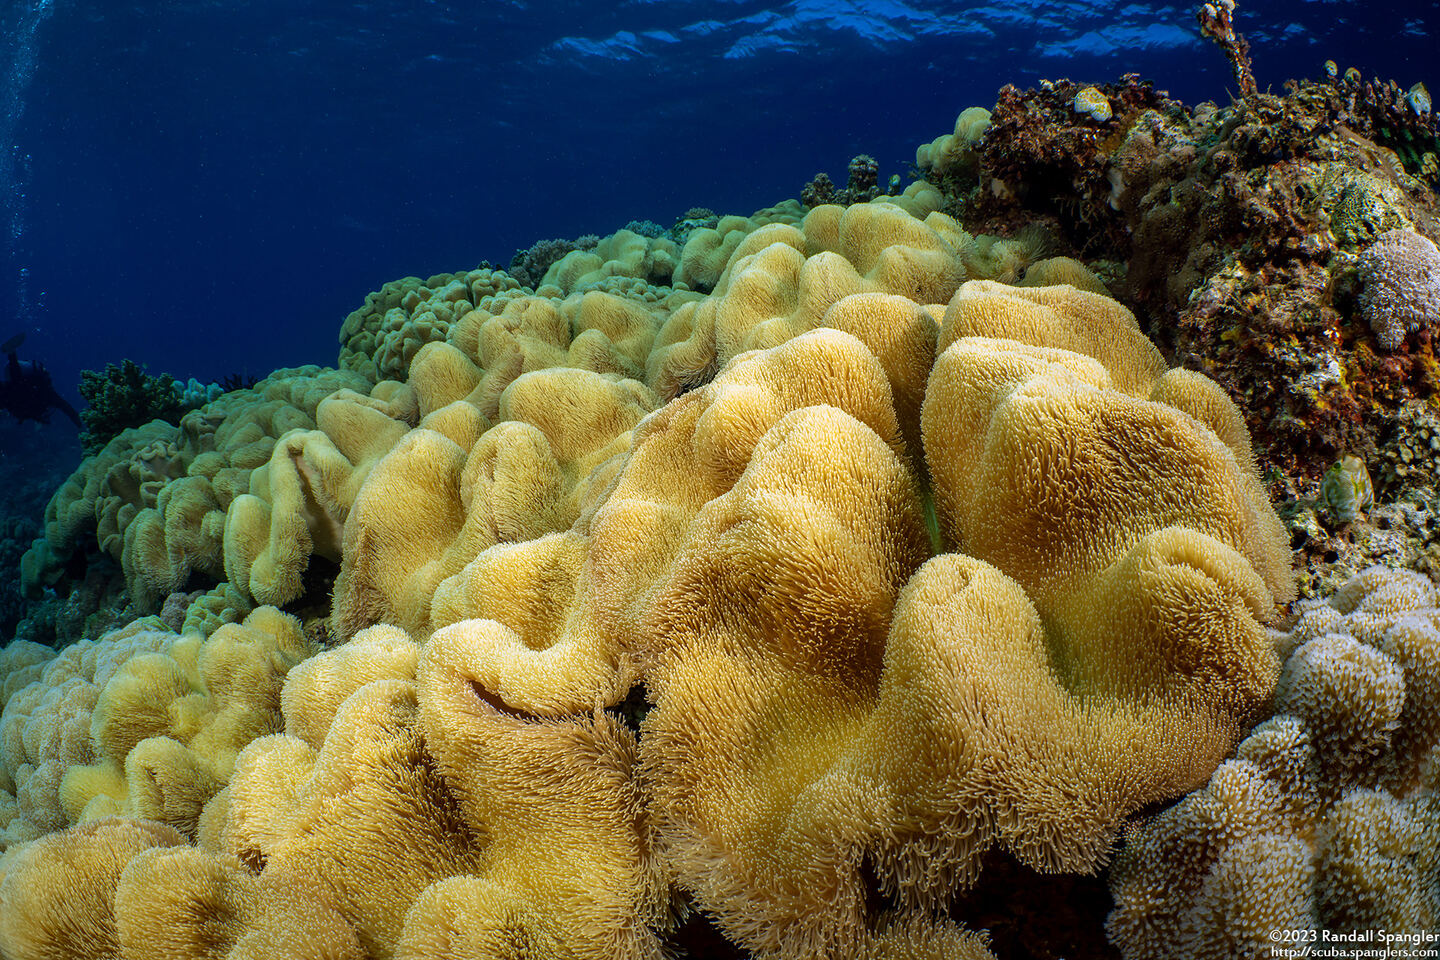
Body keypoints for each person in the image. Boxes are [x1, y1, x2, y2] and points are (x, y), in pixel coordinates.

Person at [0, 333, 82, 429]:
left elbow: (67, 408)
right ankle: (11, 352)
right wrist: (79, 423)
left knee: (16, 383)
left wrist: (77, 421)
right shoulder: (47, 396)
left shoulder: (43, 400)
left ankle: (11, 352)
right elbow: (66, 408)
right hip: (20, 384)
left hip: (15, 387)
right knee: (17, 383)